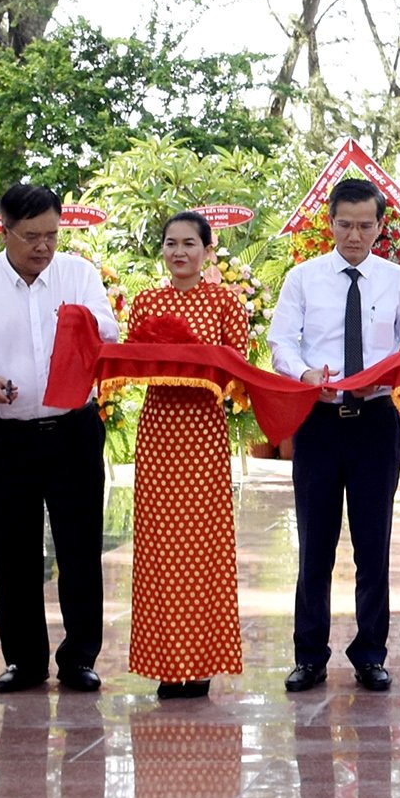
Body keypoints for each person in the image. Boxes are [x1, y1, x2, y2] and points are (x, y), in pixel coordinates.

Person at [0, 182, 121, 695]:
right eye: (30, 237)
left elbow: (107, 332)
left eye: (51, 234)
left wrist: (85, 325)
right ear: (4, 231)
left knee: (80, 548)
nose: (43, 246)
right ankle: (24, 660)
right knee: (14, 552)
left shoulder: (79, 274)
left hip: (73, 432)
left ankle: (80, 658)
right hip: (9, 436)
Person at [268, 177, 400, 693]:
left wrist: (390, 373)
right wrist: (301, 374)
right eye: (344, 224)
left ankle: (370, 654)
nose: (354, 235)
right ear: (330, 223)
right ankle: (309, 655)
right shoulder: (303, 279)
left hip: (376, 423)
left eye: (364, 225)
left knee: (372, 543)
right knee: (314, 544)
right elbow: (280, 342)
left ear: (380, 227)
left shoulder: (399, 282)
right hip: (318, 421)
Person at [122, 211, 250, 699]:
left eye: (189, 244)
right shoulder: (147, 302)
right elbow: (136, 359)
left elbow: (237, 367)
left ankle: (201, 661)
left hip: (202, 433)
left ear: (207, 250)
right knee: (159, 547)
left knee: (202, 547)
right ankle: (163, 661)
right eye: (171, 243)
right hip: (159, 431)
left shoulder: (225, 302)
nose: (179, 252)